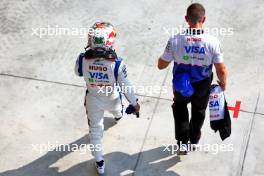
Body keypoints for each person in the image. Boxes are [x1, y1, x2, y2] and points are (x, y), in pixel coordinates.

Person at [157, 3, 228, 154]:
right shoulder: (213, 42)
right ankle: (194, 140)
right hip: (202, 84)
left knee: (180, 109)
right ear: (204, 19)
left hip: (180, 84)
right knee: (199, 111)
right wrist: (223, 83)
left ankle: (182, 143)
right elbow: (221, 69)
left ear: (186, 19)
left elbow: (161, 65)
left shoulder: (175, 40)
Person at [74, 22, 140, 174]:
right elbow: (126, 86)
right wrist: (135, 103)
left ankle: (99, 162)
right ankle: (118, 117)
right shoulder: (117, 64)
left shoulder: (82, 59)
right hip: (112, 99)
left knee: (95, 131)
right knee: (118, 111)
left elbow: (77, 73)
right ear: (110, 41)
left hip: (93, 100)